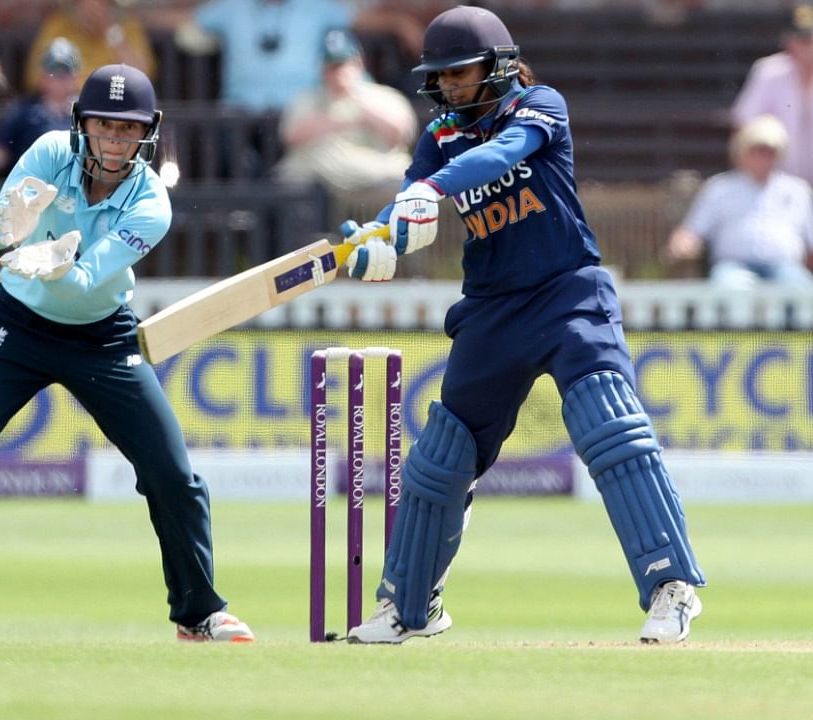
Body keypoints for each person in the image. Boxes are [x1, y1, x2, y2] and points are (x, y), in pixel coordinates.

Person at [338, 6, 706, 645]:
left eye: (462, 74)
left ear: (500, 66)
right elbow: (410, 205)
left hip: (567, 294)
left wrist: (434, 188)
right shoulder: (440, 138)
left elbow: (505, 154)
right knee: (441, 458)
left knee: (609, 427)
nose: (451, 88)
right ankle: (410, 606)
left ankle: (672, 587)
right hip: (491, 310)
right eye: (442, 78)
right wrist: (380, 239)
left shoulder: (541, 105)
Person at [0, 65, 253, 644]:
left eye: (127, 130)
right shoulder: (47, 153)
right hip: (16, 327)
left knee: (171, 473)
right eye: (104, 127)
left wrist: (56, 262)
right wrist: (9, 228)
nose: (115, 142)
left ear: (147, 134)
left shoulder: (151, 202)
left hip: (102, 337)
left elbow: (87, 281)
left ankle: (198, 611)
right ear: (82, 125)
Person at [274, 29, 417, 229]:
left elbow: (401, 133)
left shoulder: (385, 97)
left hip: (377, 181)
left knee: (404, 193)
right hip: (322, 188)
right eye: (331, 66)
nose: (337, 72)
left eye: (342, 64)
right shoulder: (307, 99)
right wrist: (337, 120)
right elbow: (291, 136)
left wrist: (356, 102)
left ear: (358, 63)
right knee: (292, 188)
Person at [665, 115, 813, 288]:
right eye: (757, 150)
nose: (763, 157)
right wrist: (682, 244)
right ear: (743, 153)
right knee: (731, 289)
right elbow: (692, 231)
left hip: (785, 268)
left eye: (769, 151)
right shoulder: (720, 187)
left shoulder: (797, 190)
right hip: (732, 267)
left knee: (801, 289)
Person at [177, 0, 354, 113]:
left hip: (301, 110)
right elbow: (182, 22)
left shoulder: (319, 6)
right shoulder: (230, 6)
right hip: (239, 108)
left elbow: (363, 18)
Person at [0, 38, 84, 177]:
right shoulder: (25, 112)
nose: (60, 79)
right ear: (42, 76)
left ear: (76, 77)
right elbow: (0, 151)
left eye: (66, 73)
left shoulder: (87, 114)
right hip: (34, 188)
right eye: (53, 71)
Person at [732, 3, 813, 185]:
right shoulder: (769, 72)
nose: (808, 47)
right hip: (777, 184)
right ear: (789, 41)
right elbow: (744, 126)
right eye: (803, 40)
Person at [24, 0, 155, 93]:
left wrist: (110, 31)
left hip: (115, 104)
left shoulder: (128, 26)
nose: (92, 7)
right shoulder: (58, 26)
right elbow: (35, 78)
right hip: (67, 106)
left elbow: (142, 77)